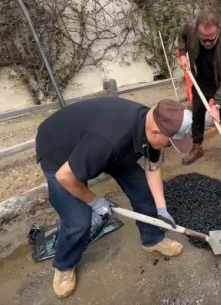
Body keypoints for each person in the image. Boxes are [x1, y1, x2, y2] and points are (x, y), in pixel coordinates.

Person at [35, 97, 193, 298]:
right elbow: (65, 176)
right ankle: (64, 266)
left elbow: (153, 168)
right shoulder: (109, 140)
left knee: (145, 192)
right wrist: (94, 201)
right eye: (170, 143)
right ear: (155, 132)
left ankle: (152, 239)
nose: (170, 147)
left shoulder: (151, 123)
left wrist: (161, 208)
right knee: (79, 220)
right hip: (58, 153)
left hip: (104, 148)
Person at [178, 11, 221, 174]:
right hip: (201, 83)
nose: (206, 42)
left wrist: (216, 104)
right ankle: (197, 147)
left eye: (211, 39)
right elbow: (181, 37)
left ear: (218, 30)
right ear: (197, 30)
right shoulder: (190, 28)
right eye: (202, 38)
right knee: (197, 116)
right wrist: (183, 54)